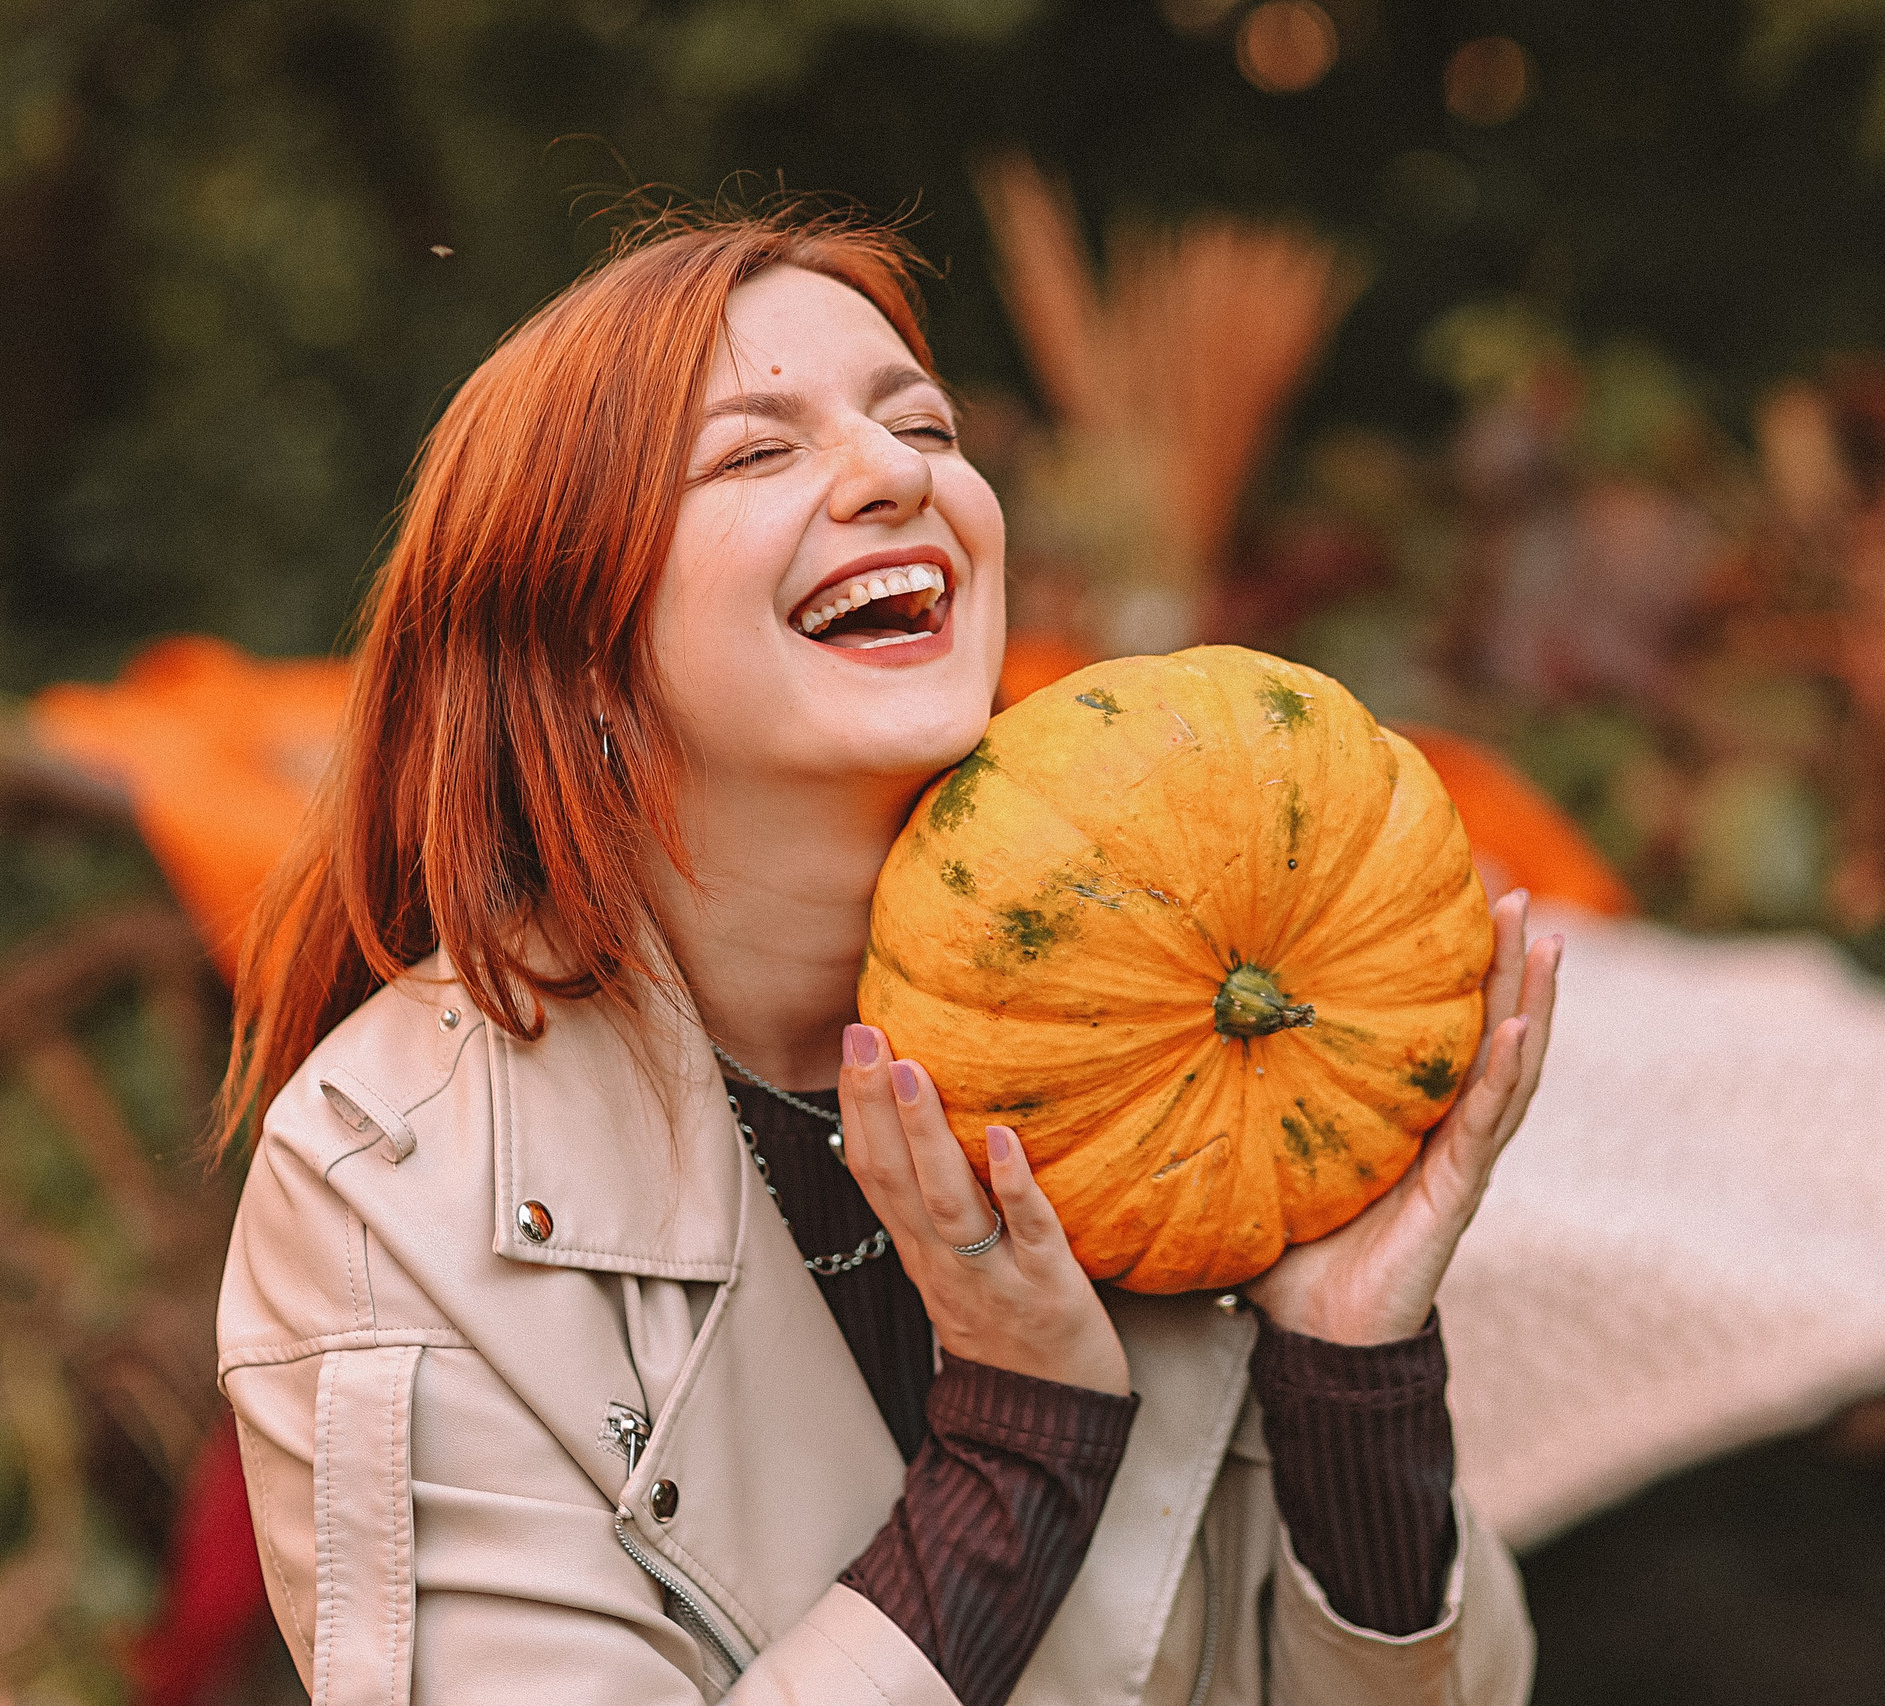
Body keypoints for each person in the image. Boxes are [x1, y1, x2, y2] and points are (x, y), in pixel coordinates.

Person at [213, 205, 1563, 1706]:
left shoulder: (1181, 1045)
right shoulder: (389, 1186)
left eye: (922, 425)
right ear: (576, 647)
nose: (899, 472)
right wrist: (1018, 1453)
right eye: (754, 452)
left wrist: (1351, 1379)